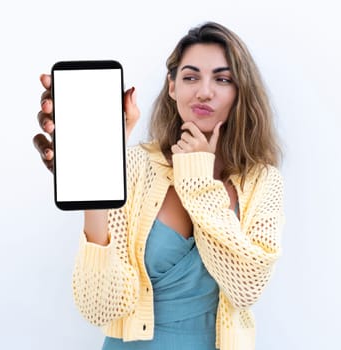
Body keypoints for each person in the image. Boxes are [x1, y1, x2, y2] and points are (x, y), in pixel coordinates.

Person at [33, 22, 285, 350]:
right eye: (190, 77)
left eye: (222, 79)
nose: (204, 91)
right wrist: (96, 181)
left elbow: (246, 287)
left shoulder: (262, 180)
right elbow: (98, 307)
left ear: (240, 92)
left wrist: (197, 176)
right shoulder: (136, 166)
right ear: (172, 87)